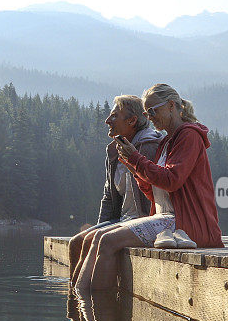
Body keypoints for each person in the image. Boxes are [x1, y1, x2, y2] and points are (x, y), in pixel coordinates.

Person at [75, 84, 224, 292]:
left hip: (187, 225)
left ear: (172, 106)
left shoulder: (189, 136)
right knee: (100, 237)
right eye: (146, 112)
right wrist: (134, 168)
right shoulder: (166, 142)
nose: (149, 117)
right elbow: (155, 193)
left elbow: (172, 180)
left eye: (153, 111)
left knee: (107, 241)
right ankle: (82, 305)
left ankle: (98, 314)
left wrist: (136, 160)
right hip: (168, 220)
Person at [68, 96, 162, 286]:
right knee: (77, 243)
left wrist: (99, 236)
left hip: (145, 220)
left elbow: (159, 187)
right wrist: (99, 228)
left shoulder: (149, 146)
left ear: (132, 120)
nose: (107, 121)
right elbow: (109, 198)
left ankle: (87, 301)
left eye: (114, 116)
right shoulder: (114, 150)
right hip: (124, 219)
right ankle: (75, 299)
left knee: (94, 240)